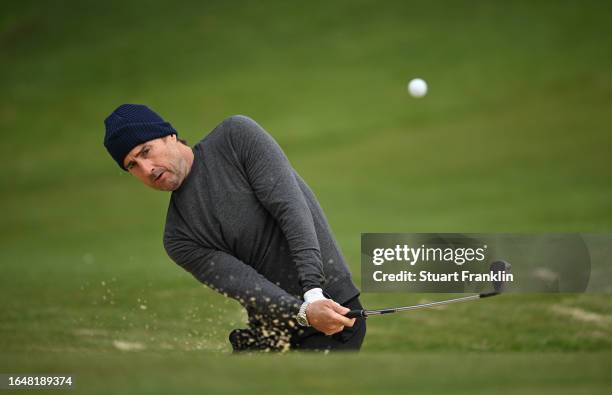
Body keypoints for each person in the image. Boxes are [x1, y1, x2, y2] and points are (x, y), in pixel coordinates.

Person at [103, 104, 366, 352]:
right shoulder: (178, 238)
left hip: (335, 312)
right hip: (276, 331)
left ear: (169, 136)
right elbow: (250, 287)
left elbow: (292, 210)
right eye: (132, 166)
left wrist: (313, 292)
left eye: (145, 152)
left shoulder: (235, 137)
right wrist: (304, 312)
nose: (146, 169)